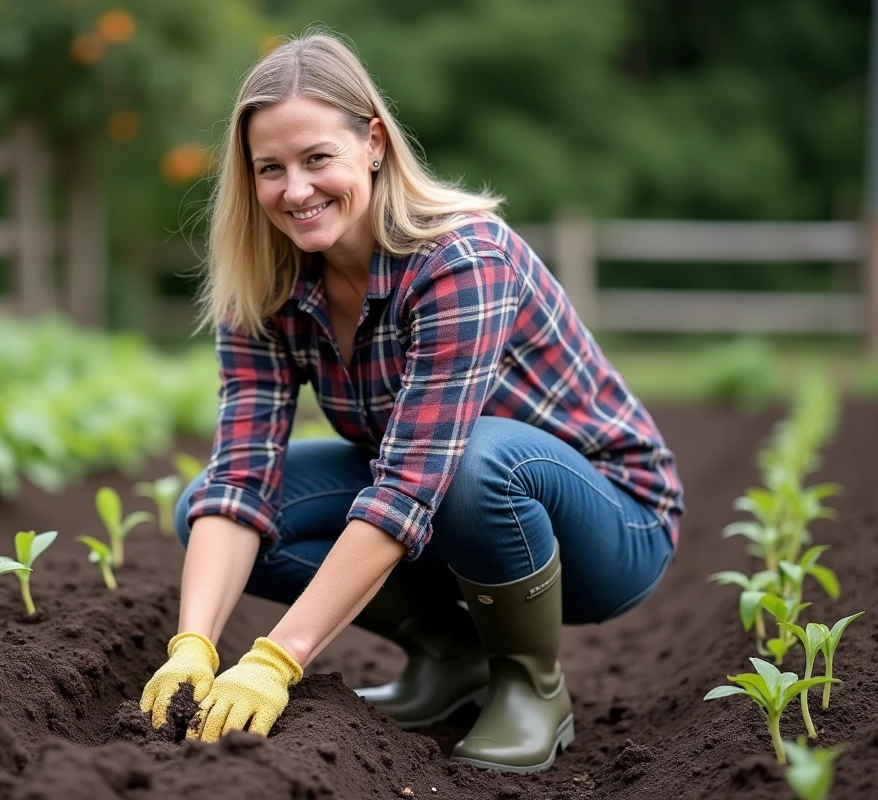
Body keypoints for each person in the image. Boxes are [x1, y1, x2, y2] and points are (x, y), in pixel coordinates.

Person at [137, 30, 684, 774]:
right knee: (205, 505)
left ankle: (530, 685)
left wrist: (275, 659)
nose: (295, 190)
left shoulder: (460, 260)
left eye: (316, 158)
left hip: (609, 525)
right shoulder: (265, 287)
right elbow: (241, 477)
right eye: (271, 169)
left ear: (373, 143)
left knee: (476, 461)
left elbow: (411, 483)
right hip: (442, 509)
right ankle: (450, 655)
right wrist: (193, 644)